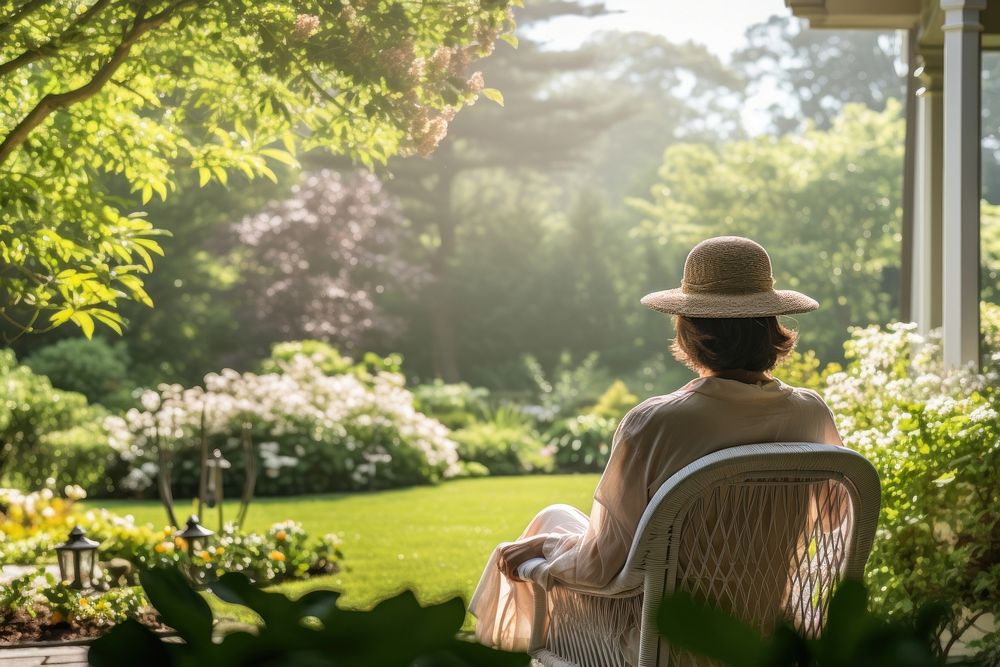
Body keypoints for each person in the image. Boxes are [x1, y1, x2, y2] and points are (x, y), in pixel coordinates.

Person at [469, 236, 844, 654]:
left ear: (690, 330)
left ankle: (493, 652)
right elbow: (832, 520)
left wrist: (544, 550)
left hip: (661, 644)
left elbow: (602, 566)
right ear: (773, 325)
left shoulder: (658, 422)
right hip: (768, 637)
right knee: (555, 518)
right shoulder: (811, 414)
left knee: (543, 531)